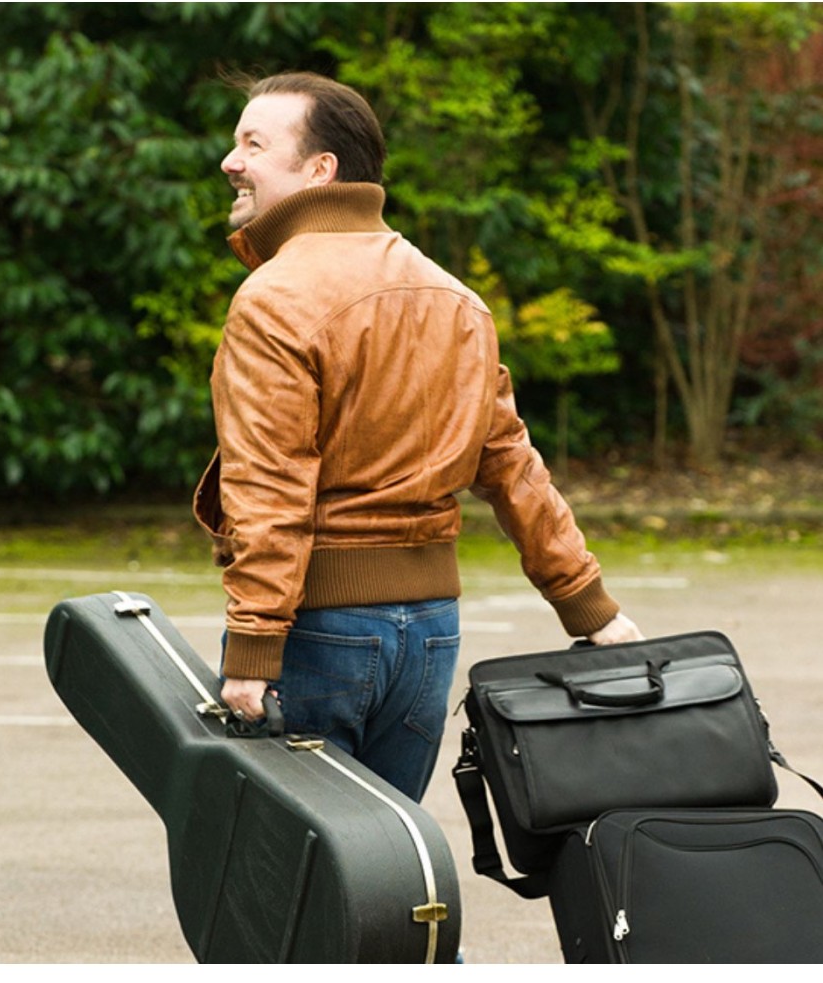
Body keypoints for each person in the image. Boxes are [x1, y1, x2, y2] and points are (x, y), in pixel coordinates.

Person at [193, 71, 642, 803]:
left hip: (318, 632)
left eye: (254, 144)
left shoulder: (274, 299)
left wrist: (253, 648)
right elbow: (511, 465)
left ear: (320, 170)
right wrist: (589, 607)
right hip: (431, 636)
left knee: (280, 862)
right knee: (386, 854)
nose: (230, 161)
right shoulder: (453, 296)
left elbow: (270, 486)